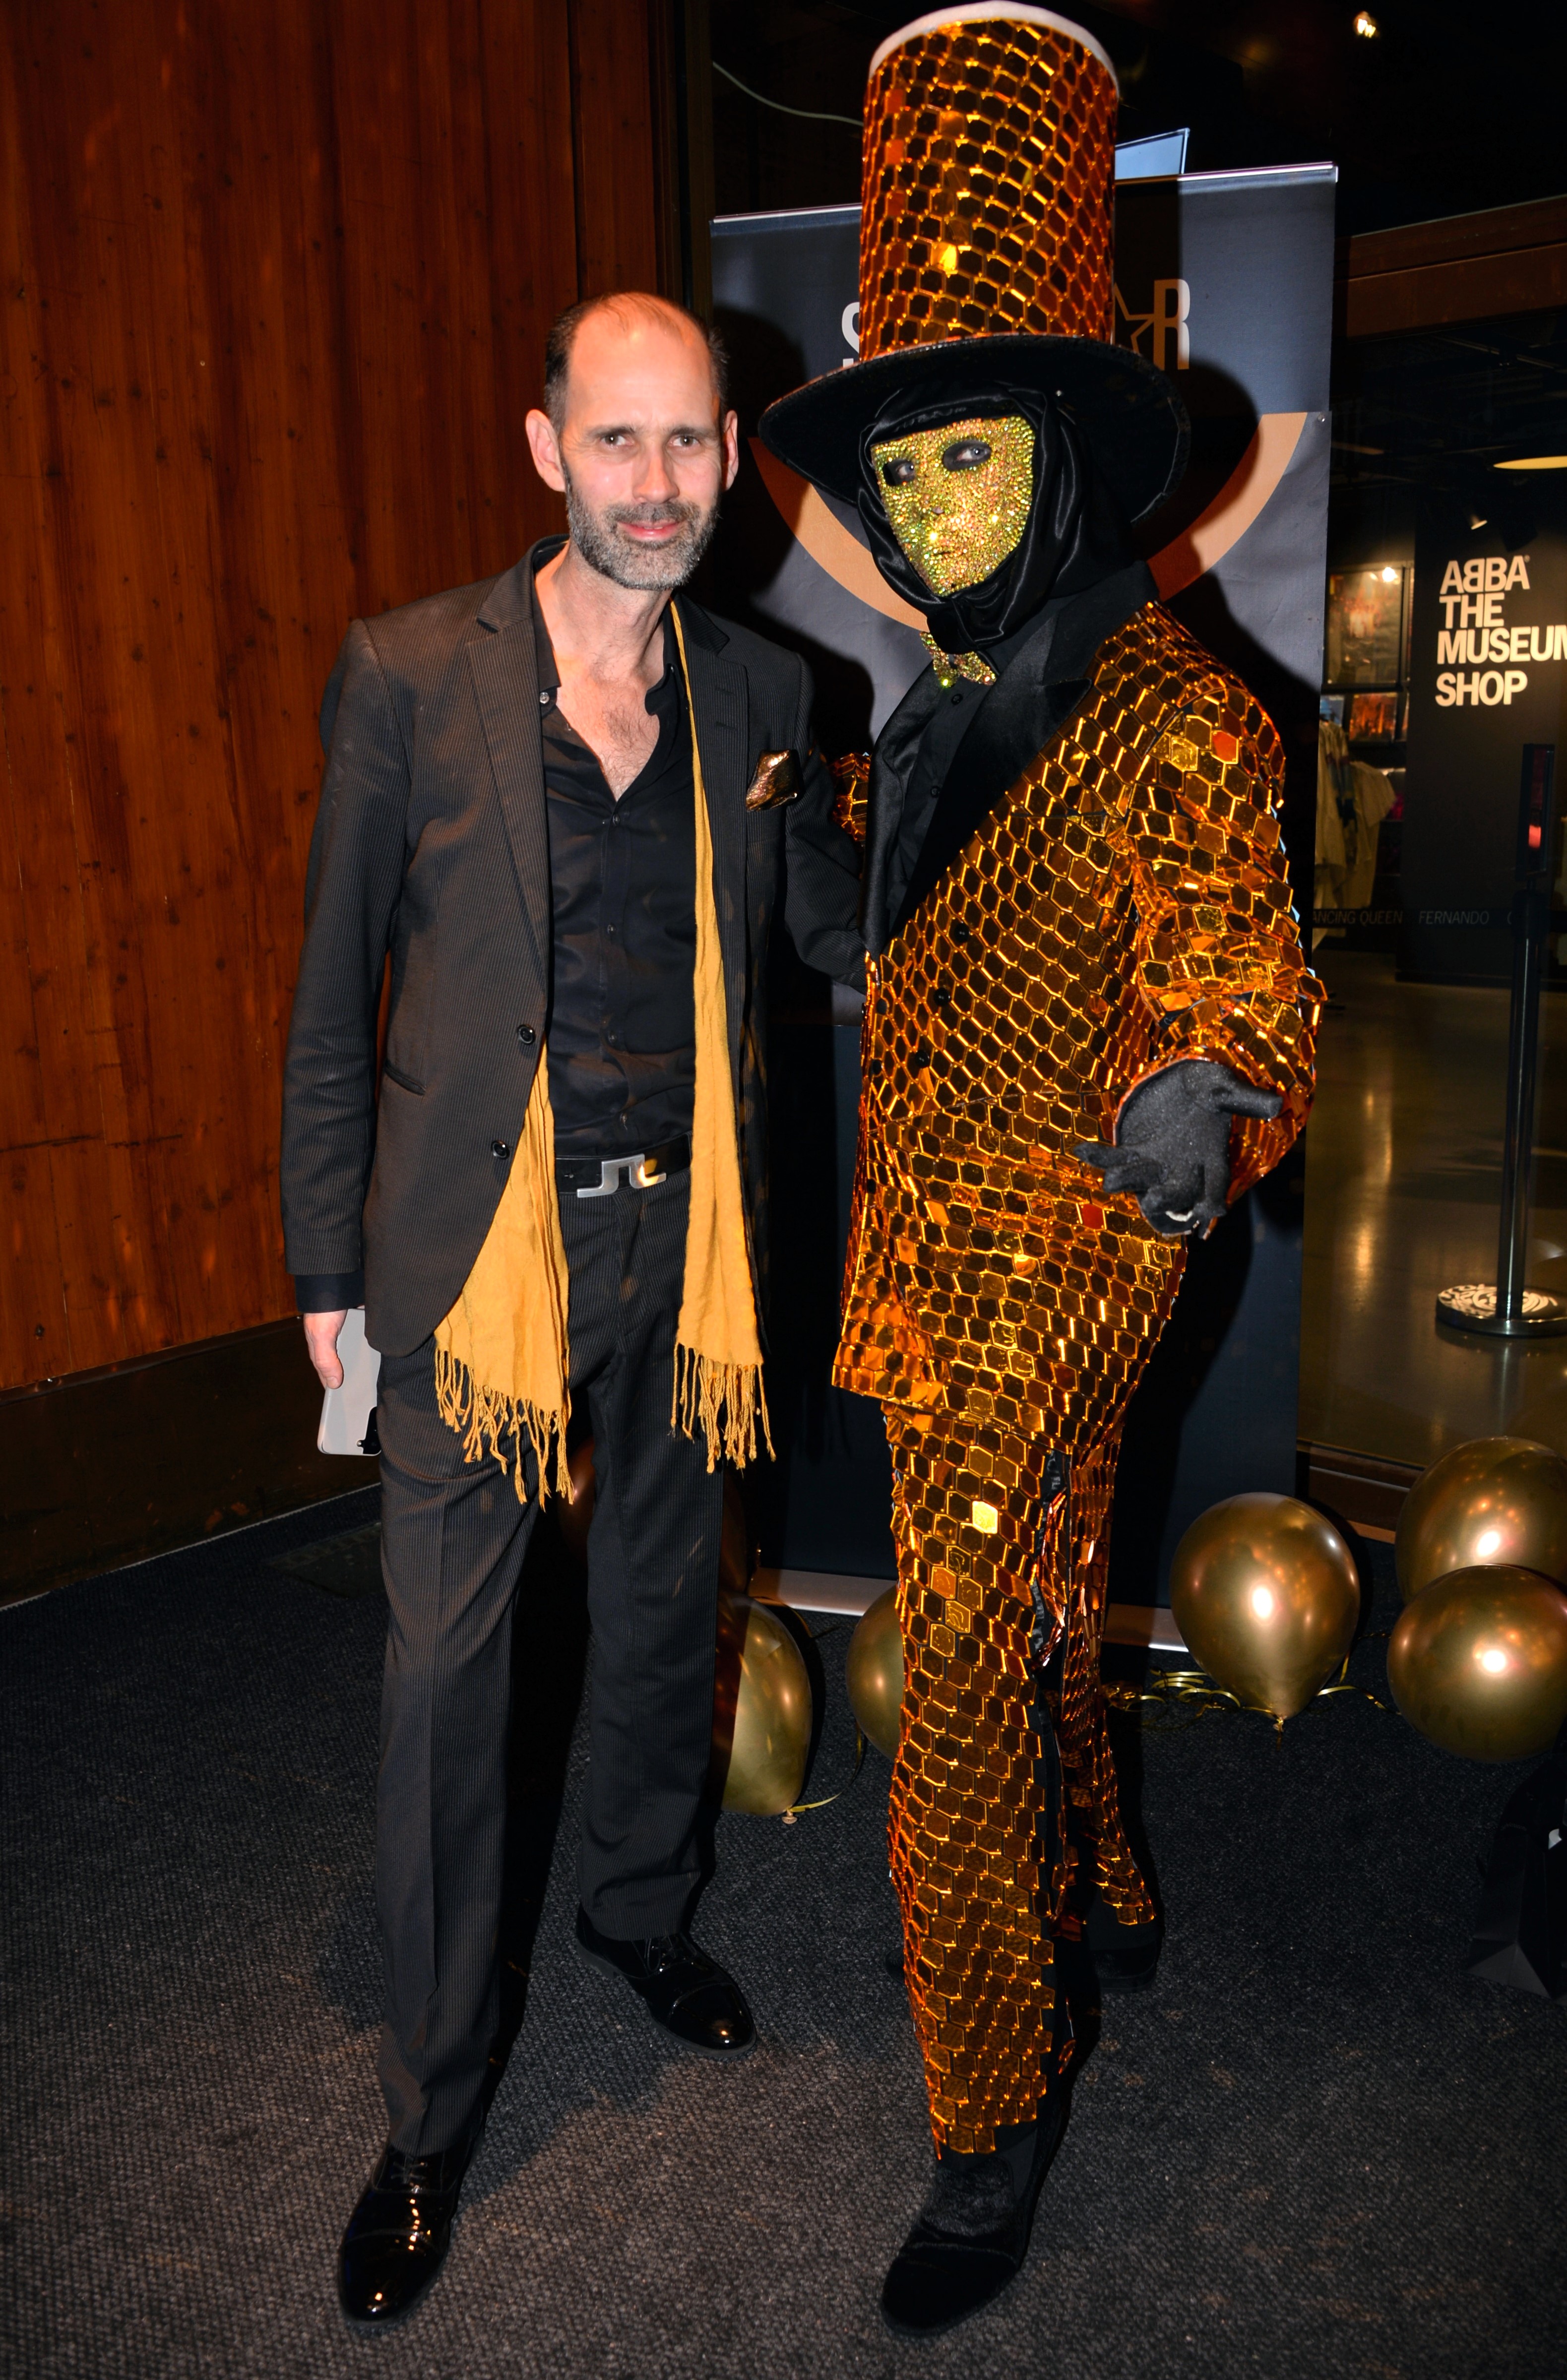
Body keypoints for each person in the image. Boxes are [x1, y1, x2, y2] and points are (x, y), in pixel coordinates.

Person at [760, 6, 1321, 2340]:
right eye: (901, 471)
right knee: (1037, 1584)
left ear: (1064, 458)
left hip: (1070, 1252)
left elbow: (1231, 957)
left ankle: (988, 2111)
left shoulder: (1177, 708)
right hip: (927, 1261)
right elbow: (900, 933)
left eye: (969, 456)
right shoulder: (935, 703)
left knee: (963, 1669)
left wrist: (1209, 1080)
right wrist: (814, 861)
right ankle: (1109, 1889)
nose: (930, 509)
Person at [281, 290, 863, 2328]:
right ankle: (430, 2112)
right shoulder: (408, 673)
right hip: (473, 1263)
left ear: (732, 452)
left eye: (690, 440)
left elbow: (827, 932)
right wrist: (328, 1274)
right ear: (547, 451)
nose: (657, 482)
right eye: (617, 440)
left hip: (687, 1253)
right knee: (445, 1687)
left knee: (659, 1613)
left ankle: (634, 1906)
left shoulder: (771, 691)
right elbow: (332, 999)